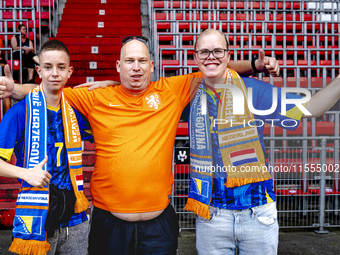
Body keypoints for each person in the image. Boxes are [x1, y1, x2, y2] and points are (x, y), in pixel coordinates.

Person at [0, 35, 280, 254]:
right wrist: (13, 89)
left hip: (159, 225)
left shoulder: (172, 90)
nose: (136, 67)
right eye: (129, 61)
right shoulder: (97, 97)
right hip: (109, 223)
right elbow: (51, 90)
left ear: (152, 65)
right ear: (119, 66)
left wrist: (254, 66)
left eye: (142, 61)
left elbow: (216, 68)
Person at [181, 29, 340, 255]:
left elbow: (309, 109)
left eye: (218, 51)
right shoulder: (186, 91)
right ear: (195, 56)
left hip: (257, 213)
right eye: (204, 52)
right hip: (211, 215)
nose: (211, 56)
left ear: (228, 55)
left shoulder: (252, 89)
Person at [0, 40, 93, 255]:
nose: (55, 74)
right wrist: (26, 174)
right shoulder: (18, 113)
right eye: (48, 67)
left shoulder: (76, 113)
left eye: (61, 67)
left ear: (69, 72)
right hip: (35, 218)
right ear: (39, 70)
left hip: (75, 219)